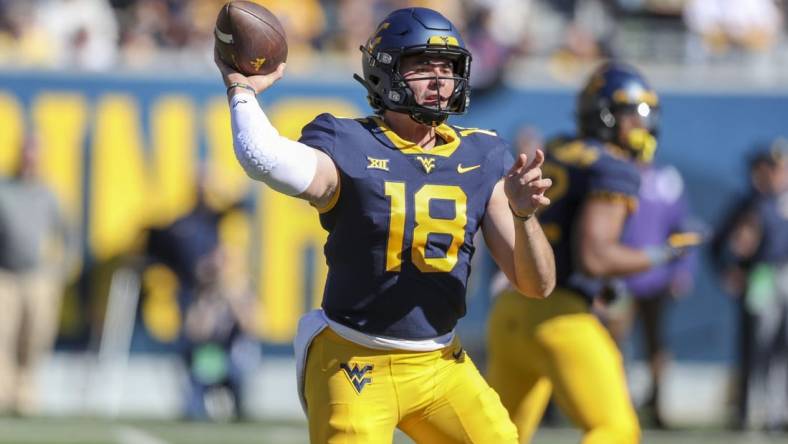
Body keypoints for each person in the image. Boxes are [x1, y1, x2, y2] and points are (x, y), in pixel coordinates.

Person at [215, 7, 556, 443]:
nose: (438, 79)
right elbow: (263, 158)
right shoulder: (348, 143)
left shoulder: (484, 155)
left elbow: (537, 285)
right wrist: (241, 90)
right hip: (354, 361)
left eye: (447, 67)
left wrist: (525, 216)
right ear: (385, 73)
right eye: (421, 65)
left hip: (440, 363)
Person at [486, 62, 693, 444]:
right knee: (615, 429)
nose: (645, 124)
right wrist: (663, 254)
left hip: (510, 311)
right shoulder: (613, 168)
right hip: (559, 317)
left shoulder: (561, 146)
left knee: (502, 437)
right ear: (607, 114)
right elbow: (594, 258)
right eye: (638, 113)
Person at [605, 162, 697, 429]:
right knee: (614, 342)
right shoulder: (615, 175)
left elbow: (682, 226)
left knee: (656, 344)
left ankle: (656, 404)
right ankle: (616, 403)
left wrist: (683, 269)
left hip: (656, 277)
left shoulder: (667, 180)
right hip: (621, 277)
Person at [712, 142, 788, 431]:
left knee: (783, 346)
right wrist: (728, 270)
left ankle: (777, 413)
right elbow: (721, 243)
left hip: (784, 274)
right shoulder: (748, 203)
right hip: (761, 275)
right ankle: (748, 411)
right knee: (756, 343)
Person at [0, 134, 75, 415]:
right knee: (2, 335)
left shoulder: (48, 193)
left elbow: (68, 234)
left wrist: (58, 270)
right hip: (5, 274)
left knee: (34, 337)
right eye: (26, 153)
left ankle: (25, 394)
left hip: (37, 277)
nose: (29, 159)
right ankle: (3, 394)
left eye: (34, 153)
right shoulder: (5, 189)